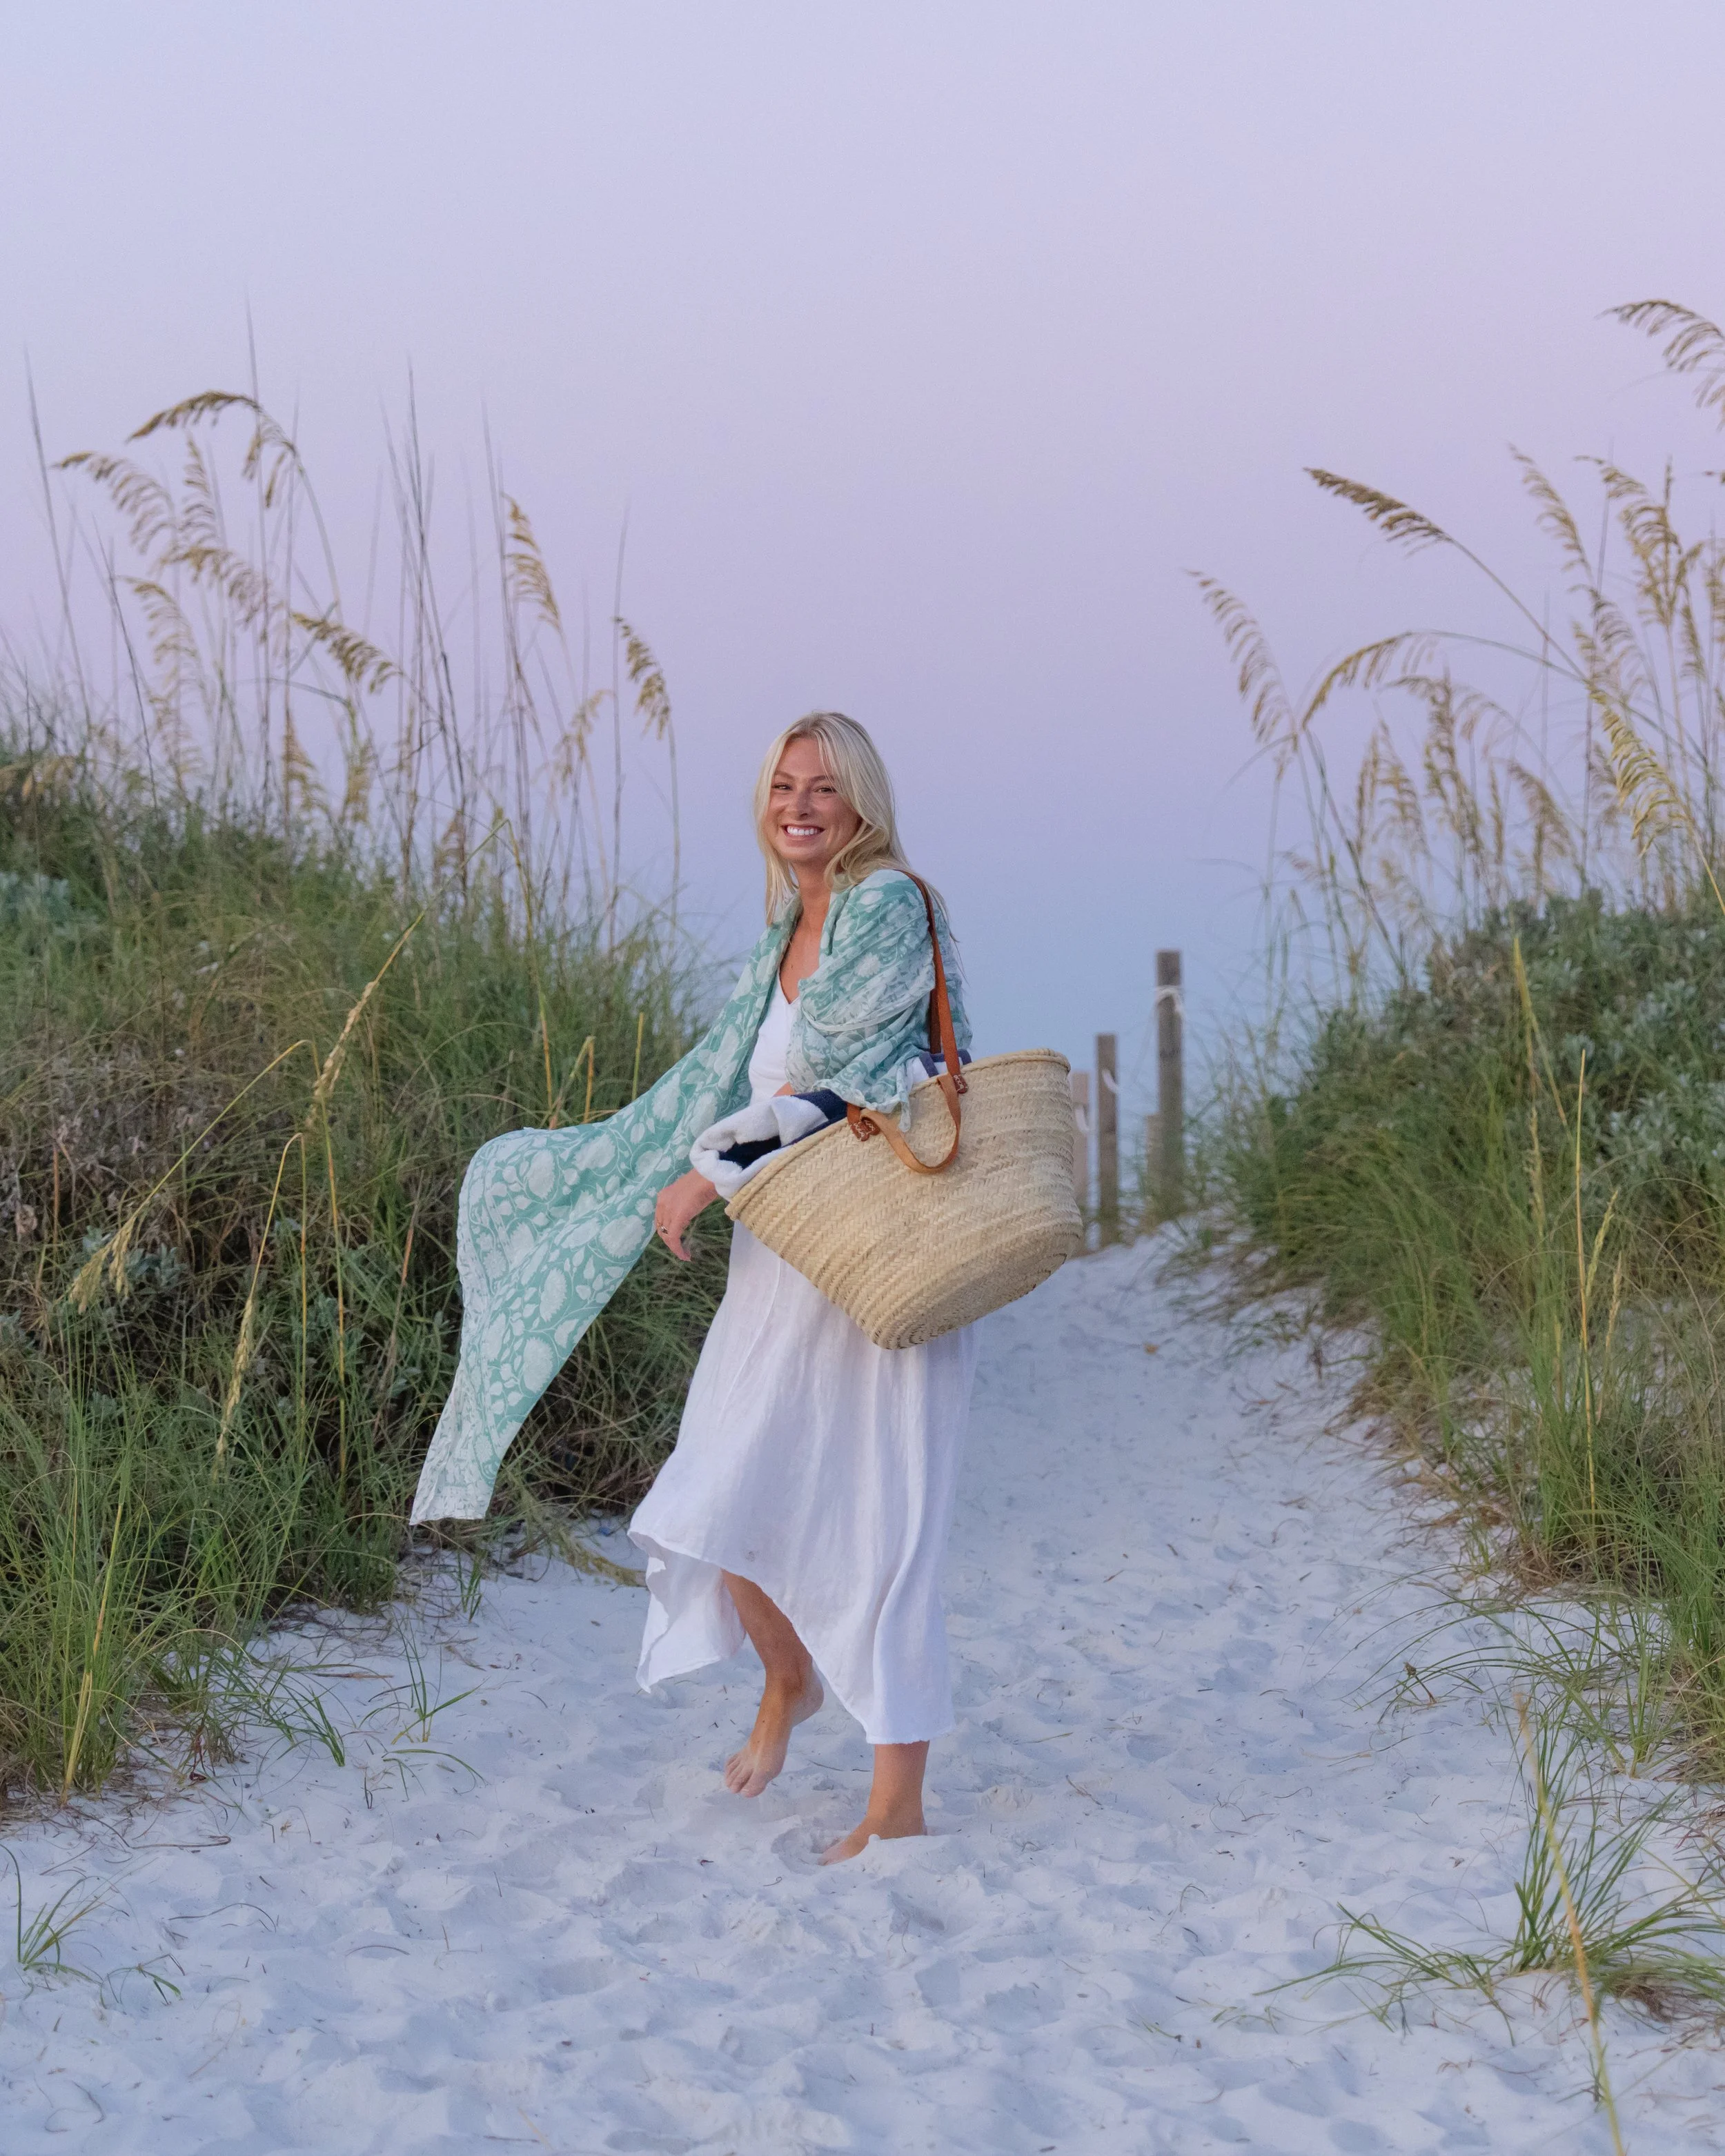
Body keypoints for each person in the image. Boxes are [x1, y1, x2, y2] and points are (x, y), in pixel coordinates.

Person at [410, 710, 976, 1863]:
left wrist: (708, 1173)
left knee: (885, 1519)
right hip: (784, 1266)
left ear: (862, 802)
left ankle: (897, 1800)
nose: (800, 804)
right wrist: (662, 1163)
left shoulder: (886, 906)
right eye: (782, 784)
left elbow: (861, 1081)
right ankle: (790, 1680)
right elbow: (733, 1077)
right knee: (706, 1502)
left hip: (879, 1256)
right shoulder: (786, 929)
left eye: (824, 786)